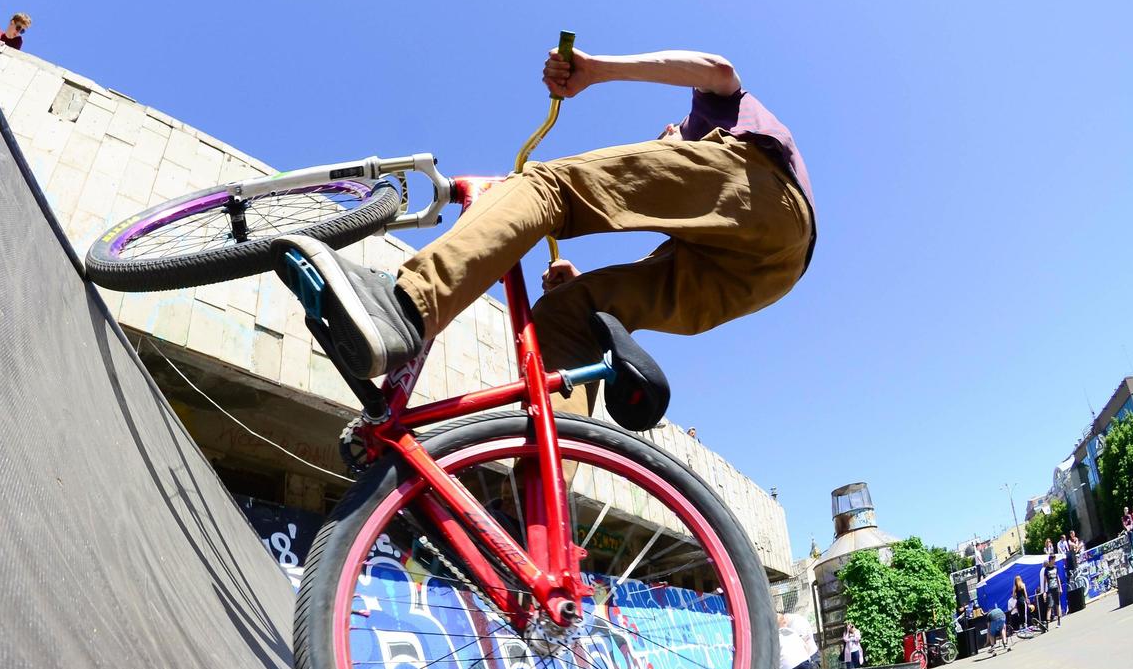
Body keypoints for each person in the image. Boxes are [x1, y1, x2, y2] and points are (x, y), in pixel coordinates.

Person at [270, 45, 815, 421]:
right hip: (761, 275)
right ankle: (538, 499)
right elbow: (667, 267)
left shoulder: (721, 122)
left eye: (668, 137)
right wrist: (579, 282)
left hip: (766, 193)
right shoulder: (708, 206)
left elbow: (717, 67)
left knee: (548, 186)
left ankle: (405, 307)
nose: (664, 142)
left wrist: (594, 69)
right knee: (569, 316)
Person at [1040, 548, 1063, 629]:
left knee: (1057, 604)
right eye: (1053, 560)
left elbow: (1058, 578)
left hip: (1056, 588)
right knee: (1049, 606)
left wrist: (1060, 588)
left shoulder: (1056, 567)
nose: (1054, 561)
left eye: (1055, 560)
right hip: (1050, 589)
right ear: (1050, 560)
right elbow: (1045, 581)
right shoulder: (1046, 570)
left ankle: (1059, 621)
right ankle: (1047, 624)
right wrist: (1044, 592)